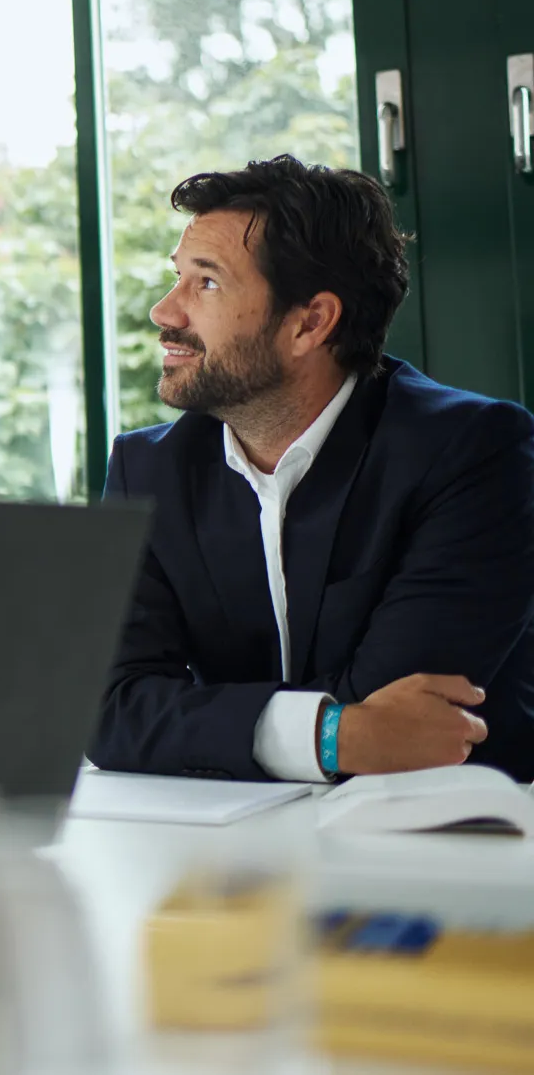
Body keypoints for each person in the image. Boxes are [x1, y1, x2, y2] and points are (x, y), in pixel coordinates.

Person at [89, 155, 534, 784]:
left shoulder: (471, 451)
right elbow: (107, 710)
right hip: (231, 844)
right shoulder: (149, 468)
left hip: (449, 846)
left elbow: (409, 725)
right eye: (178, 278)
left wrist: (214, 725)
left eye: (207, 283)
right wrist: (330, 733)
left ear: (310, 323)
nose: (166, 311)